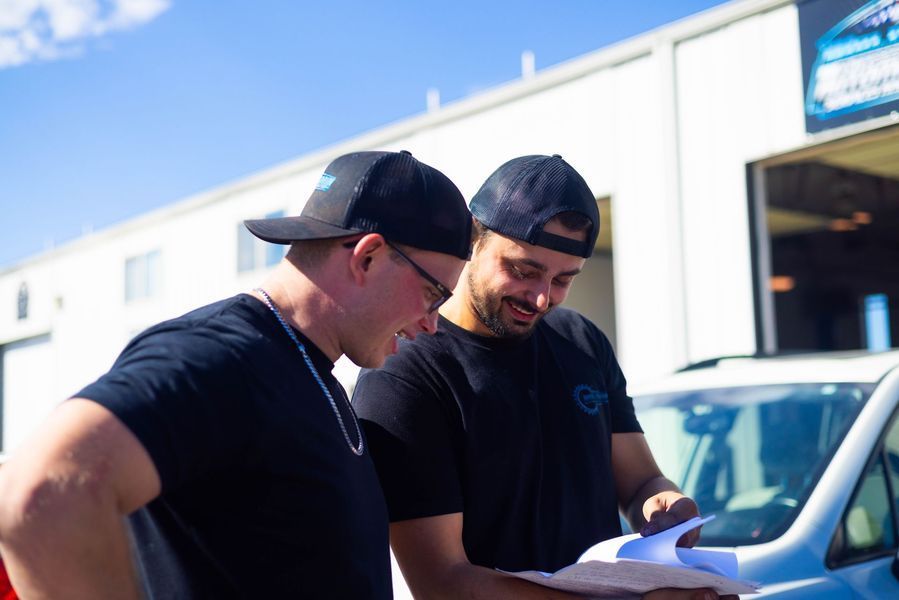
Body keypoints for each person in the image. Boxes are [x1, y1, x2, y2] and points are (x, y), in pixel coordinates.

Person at [0, 150, 472, 599]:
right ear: (366, 256)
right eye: (434, 293)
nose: (432, 324)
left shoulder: (307, 367)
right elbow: (41, 493)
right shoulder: (219, 357)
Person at [353, 154, 732, 600]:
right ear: (473, 240)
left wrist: (664, 504)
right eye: (522, 270)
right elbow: (443, 583)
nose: (540, 298)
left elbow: (641, 482)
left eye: (563, 279)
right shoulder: (407, 372)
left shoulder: (581, 340)